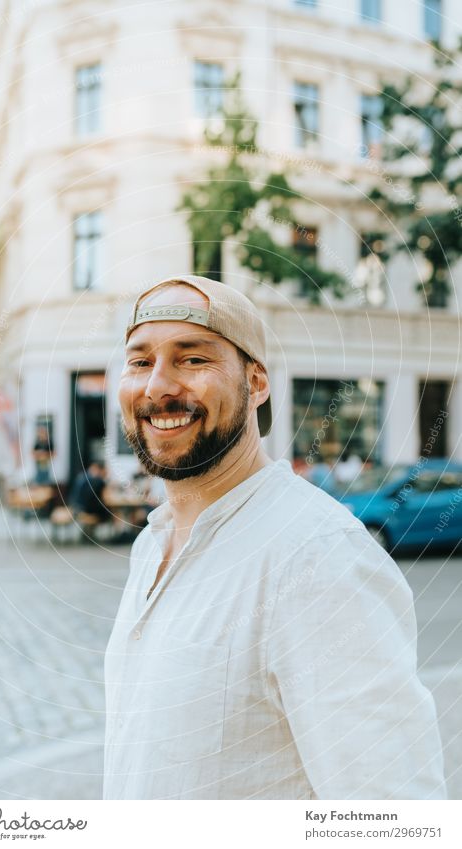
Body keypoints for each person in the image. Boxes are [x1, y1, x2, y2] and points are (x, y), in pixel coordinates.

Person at [103, 274, 446, 801]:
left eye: (193, 359)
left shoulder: (318, 557)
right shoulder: (152, 545)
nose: (158, 387)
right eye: (140, 361)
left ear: (256, 383)